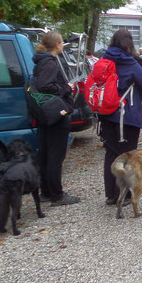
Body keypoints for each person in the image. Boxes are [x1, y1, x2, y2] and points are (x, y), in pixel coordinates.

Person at [99, 29, 142, 206]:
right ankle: (125, 195)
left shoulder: (104, 60)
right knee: (128, 155)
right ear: (129, 44)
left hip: (106, 113)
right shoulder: (130, 63)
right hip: (127, 115)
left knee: (111, 153)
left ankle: (111, 194)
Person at [31, 31, 80, 206]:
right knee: (55, 157)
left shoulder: (40, 61)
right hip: (55, 115)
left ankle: (45, 192)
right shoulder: (49, 63)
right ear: (58, 45)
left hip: (45, 115)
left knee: (45, 155)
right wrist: (66, 88)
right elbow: (45, 86)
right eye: (61, 43)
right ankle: (57, 195)